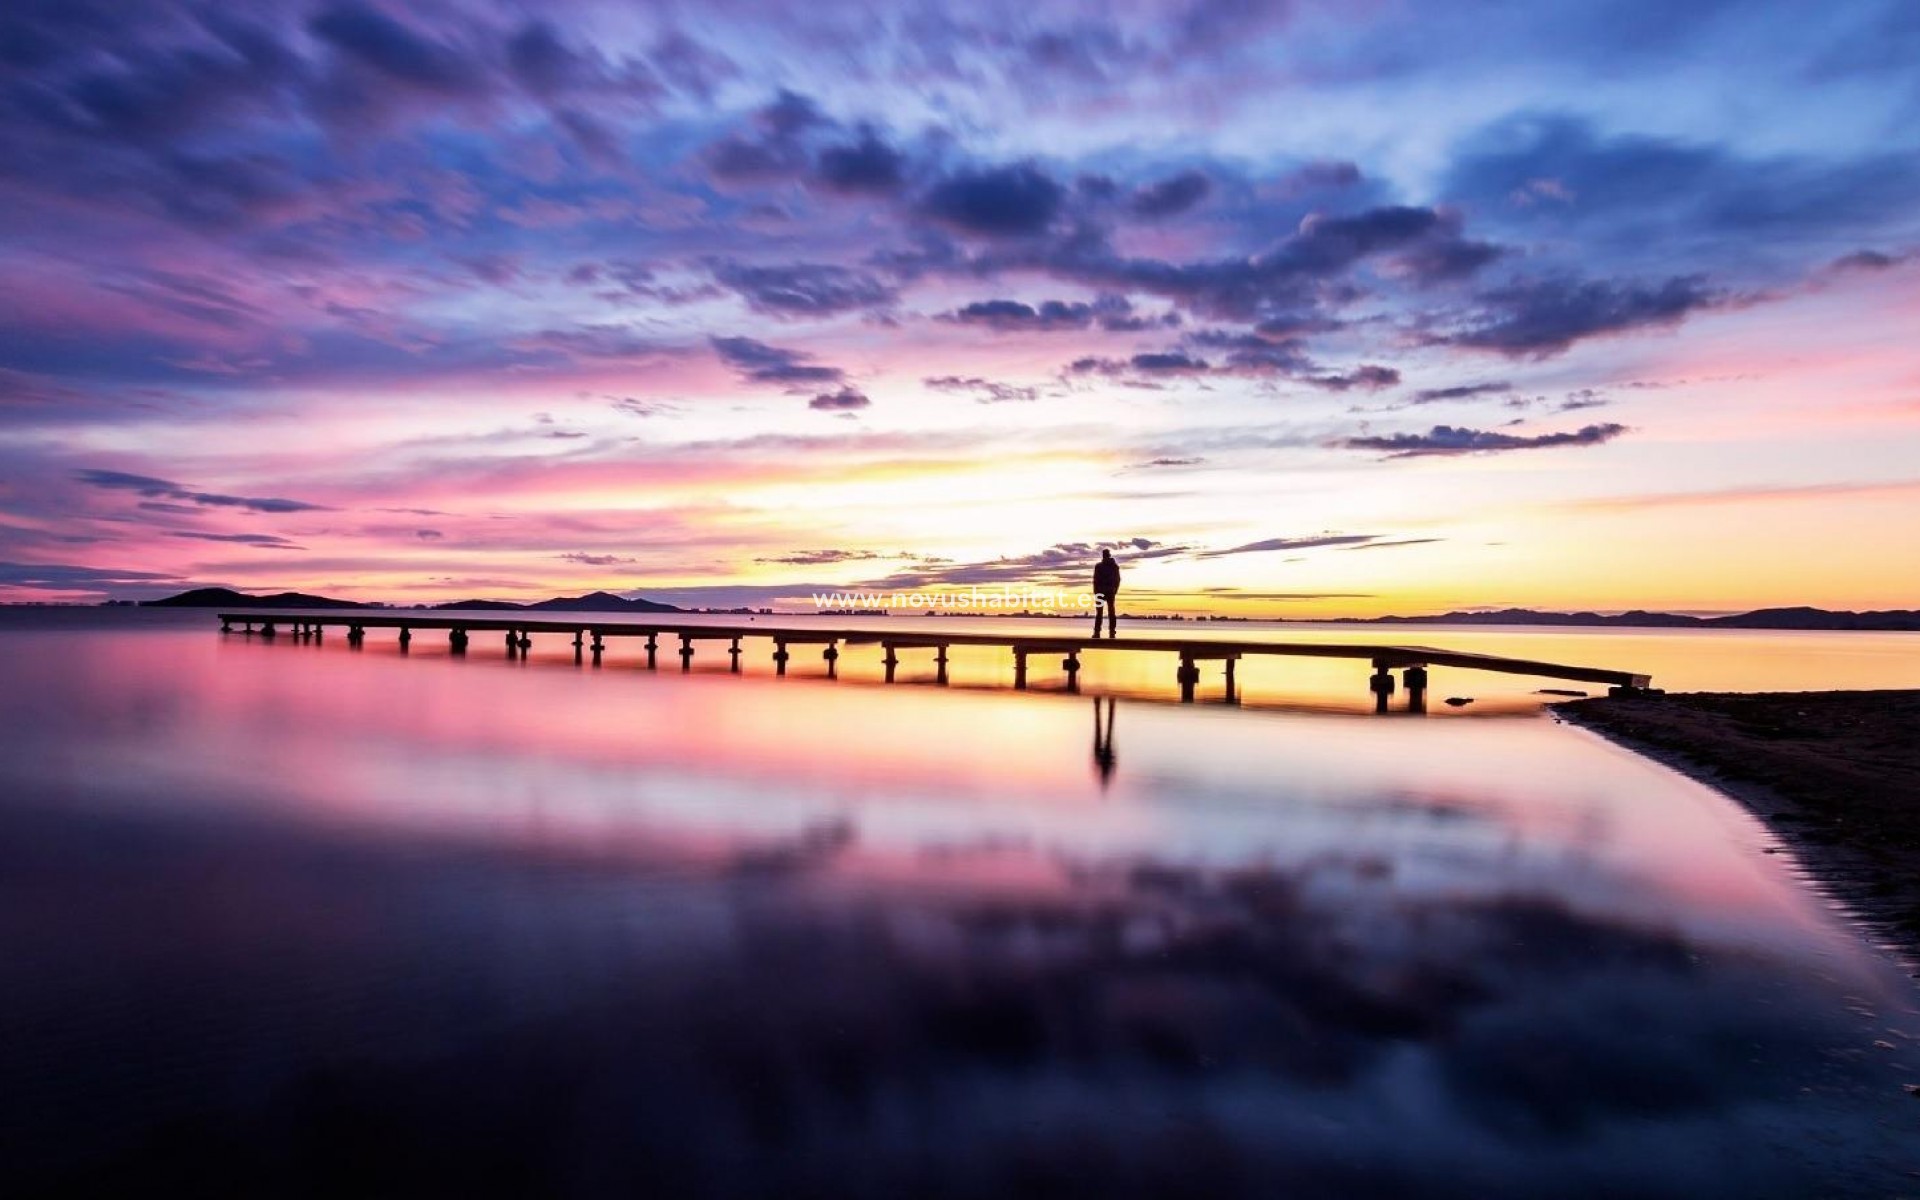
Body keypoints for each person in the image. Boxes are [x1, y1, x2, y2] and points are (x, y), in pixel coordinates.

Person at [1091, 547, 1120, 639]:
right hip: (1106, 591)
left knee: (1105, 612)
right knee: (1106, 612)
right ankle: (1102, 632)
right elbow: (1095, 580)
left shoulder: (1109, 566)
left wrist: (1115, 590)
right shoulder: (1106, 566)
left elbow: (1095, 580)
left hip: (1105, 591)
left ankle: (1105, 632)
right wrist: (1115, 590)